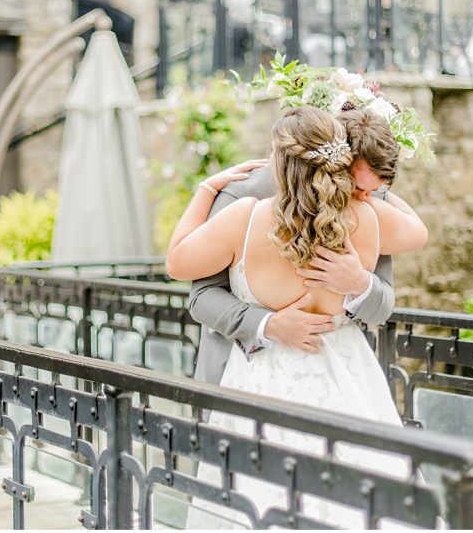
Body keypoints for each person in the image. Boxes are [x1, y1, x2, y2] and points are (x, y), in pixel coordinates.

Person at [167, 107, 428, 527]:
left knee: (259, 496)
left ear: (279, 163)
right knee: (357, 495)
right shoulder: (366, 219)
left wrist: (204, 190)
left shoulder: (244, 218)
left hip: (261, 378)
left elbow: (177, 263)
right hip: (346, 376)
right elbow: (419, 231)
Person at [186, 107, 425, 387]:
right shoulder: (242, 194)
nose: (363, 200)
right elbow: (201, 295)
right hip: (241, 373)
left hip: (339, 378)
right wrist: (266, 325)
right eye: (357, 188)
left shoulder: (368, 206)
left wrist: (360, 283)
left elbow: (383, 306)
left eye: (372, 193)